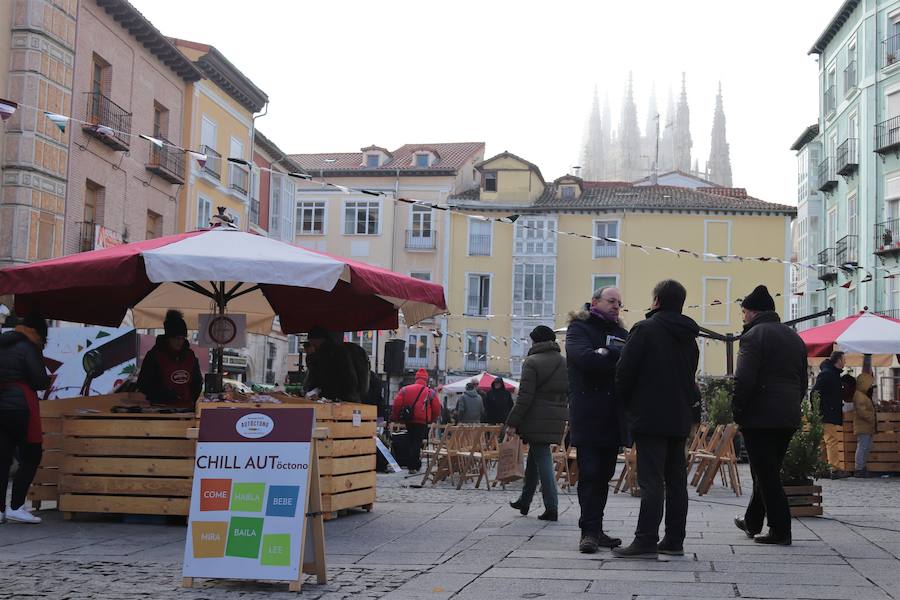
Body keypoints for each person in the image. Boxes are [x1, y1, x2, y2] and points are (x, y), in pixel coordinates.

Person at [613, 280, 699, 559]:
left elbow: (624, 373)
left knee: (651, 481)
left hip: (649, 415)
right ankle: (674, 539)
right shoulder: (689, 337)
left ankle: (646, 539)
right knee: (676, 481)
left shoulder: (644, 329)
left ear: (657, 301)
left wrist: (628, 405)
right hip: (679, 417)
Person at [731, 285, 808, 546]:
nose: (742, 318)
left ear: (752, 312)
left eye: (743, 312)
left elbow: (744, 379)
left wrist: (738, 410)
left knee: (766, 475)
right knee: (767, 471)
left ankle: (780, 529)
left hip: (760, 417)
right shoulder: (794, 337)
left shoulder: (753, 337)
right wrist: (791, 406)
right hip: (787, 416)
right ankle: (753, 521)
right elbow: (803, 381)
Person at [566, 286, 629, 553]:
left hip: (613, 415)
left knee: (604, 475)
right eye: (611, 301)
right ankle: (588, 532)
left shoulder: (622, 333)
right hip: (589, 413)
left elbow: (628, 366)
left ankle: (597, 528)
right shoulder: (579, 328)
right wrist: (611, 354)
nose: (616, 306)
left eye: (619, 303)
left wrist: (605, 353)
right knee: (590, 473)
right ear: (595, 302)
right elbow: (586, 360)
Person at [507, 325, 569, 522]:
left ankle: (551, 506)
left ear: (536, 341)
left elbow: (525, 396)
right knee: (535, 457)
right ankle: (524, 501)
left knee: (543, 461)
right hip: (557, 416)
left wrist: (512, 422)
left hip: (535, 417)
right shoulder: (564, 362)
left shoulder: (532, 362)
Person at [0, 312, 51, 524]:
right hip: (22, 405)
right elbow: (40, 380)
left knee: (2, 458)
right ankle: (17, 506)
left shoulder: (3, 343)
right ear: (38, 332)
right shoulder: (30, 346)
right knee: (32, 453)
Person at [136, 310, 202, 407]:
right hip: (161, 411)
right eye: (177, 338)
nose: (180, 342)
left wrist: (191, 399)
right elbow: (143, 384)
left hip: (186, 410)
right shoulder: (154, 355)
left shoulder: (190, 356)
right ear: (168, 337)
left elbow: (197, 382)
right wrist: (162, 395)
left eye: (183, 338)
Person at [391, 369, 441, 473]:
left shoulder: (405, 389)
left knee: (411, 440)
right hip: (422, 421)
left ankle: (411, 463)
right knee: (417, 442)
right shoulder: (430, 392)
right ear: (426, 379)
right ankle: (413, 465)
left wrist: (396, 417)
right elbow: (437, 409)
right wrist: (431, 419)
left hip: (409, 419)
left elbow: (396, 404)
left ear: (416, 378)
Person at [813, 351, 847, 477]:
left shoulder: (831, 373)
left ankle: (822, 468)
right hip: (827, 412)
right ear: (838, 360)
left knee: (824, 441)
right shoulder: (827, 374)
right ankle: (834, 468)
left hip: (826, 411)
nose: (845, 362)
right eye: (844, 359)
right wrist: (819, 408)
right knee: (831, 440)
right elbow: (815, 392)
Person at [303, 326, 359, 402]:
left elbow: (324, 377)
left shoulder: (327, 354)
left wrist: (319, 393)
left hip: (337, 398)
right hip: (343, 396)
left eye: (311, 341)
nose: (311, 343)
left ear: (319, 339)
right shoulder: (333, 350)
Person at [852, 372, 877, 478]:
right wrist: (873, 417)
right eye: (869, 384)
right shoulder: (859, 396)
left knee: (866, 447)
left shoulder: (862, 395)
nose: (871, 386)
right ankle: (859, 469)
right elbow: (861, 411)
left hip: (867, 426)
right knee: (862, 447)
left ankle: (862, 467)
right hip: (863, 426)